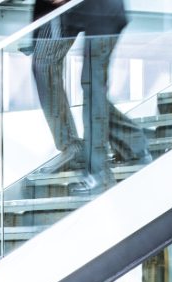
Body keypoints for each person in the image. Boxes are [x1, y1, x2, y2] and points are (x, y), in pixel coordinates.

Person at [30, 0, 149, 191]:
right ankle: (129, 142)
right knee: (43, 65)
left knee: (91, 84)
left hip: (102, 13)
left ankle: (99, 173)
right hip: (67, 14)